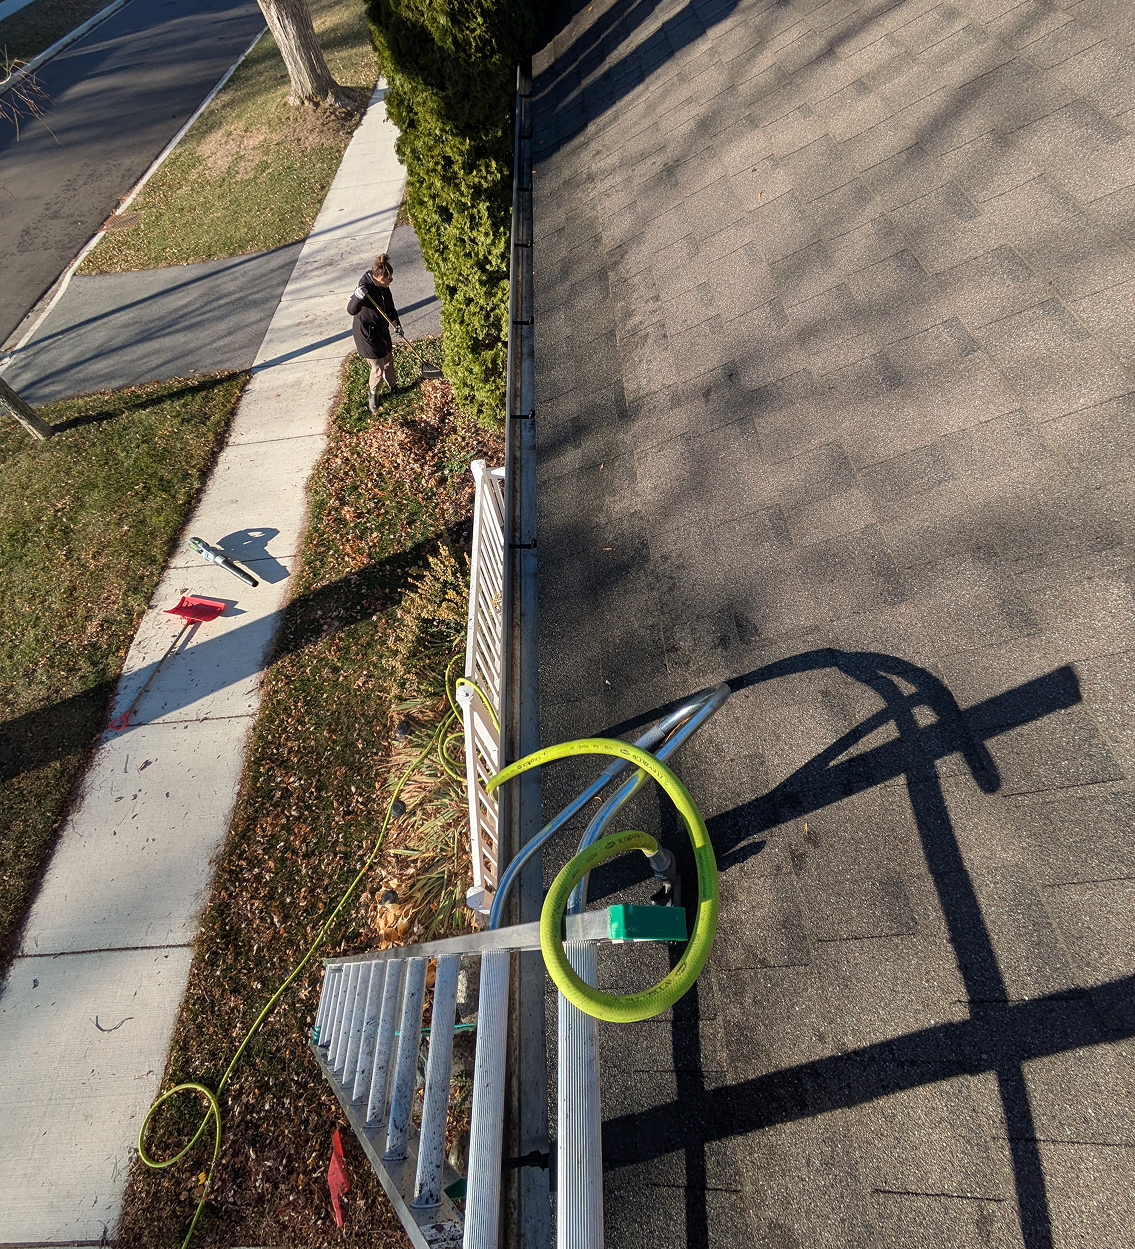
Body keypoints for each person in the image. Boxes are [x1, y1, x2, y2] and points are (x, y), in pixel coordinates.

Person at [348, 253, 404, 413]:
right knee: (378, 368)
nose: (391, 282)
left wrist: (396, 325)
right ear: (380, 278)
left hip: (382, 331)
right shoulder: (364, 288)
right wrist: (357, 297)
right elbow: (351, 310)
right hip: (367, 336)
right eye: (389, 279)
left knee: (388, 360)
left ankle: (394, 387)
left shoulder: (384, 289)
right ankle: (372, 395)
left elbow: (390, 309)